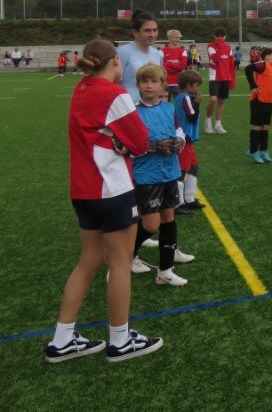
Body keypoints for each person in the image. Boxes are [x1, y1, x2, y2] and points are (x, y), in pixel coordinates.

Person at [45, 39, 162, 364]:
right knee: (120, 264)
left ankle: (61, 339)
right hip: (112, 190)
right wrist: (123, 143)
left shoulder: (81, 88)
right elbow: (140, 142)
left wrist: (117, 141)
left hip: (82, 191)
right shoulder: (114, 94)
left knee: (88, 261)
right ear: (114, 62)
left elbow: (100, 134)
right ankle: (121, 340)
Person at [130, 63, 194, 287]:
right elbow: (127, 144)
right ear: (138, 85)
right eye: (144, 81)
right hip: (147, 175)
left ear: (162, 85)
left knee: (169, 218)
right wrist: (152, 147)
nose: (149, 85)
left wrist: (180, 141)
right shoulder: (132, 112)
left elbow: (178, 130)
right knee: (150, 225)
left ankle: (165, 271)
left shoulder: (168, 108)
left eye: (154, 81)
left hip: (170, 171)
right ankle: (125, 256)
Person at [172, 69, 206, 214]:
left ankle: (189, 199)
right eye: (196, 85)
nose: (198, 88)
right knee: (181, 171)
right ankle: (177, 204)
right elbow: (192, 117)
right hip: (184, 139)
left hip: (188, 140)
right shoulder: (185, 97)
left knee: (194, 168)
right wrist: (197, 104)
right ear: (188, 85)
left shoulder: (184, 97)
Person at [117, 10, 163, 105]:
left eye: (155, 30)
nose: (152, 35)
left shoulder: (158, 54)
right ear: (135, 33)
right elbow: (113, 84)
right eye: (147, 31)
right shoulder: (123, 52)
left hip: (151, 108)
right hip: (129, 108)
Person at [244, 47, 272, 164]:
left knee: (265, 126)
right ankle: (253, 150)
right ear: (267, 57)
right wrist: (253, 85)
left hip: (268, 101)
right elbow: (248, 68)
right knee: (257, 126)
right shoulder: (264, 64)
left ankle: (263, 150)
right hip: (259, 100)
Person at [204, 27, 235, 134]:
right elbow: (216, 59)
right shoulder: (211, 46)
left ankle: (218, 124)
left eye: (222, 36)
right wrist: (220, 45)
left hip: (226, 77)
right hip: (214, 76)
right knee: (213, 99)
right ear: (215, 36)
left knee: (221, 101)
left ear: (225, 37)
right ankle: (208, 121)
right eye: (218, 36)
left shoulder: (228, 47)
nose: (220, 38)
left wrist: (232, 78)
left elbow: (230, 63)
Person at [161, 29, 189, 99]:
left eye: (179, 38)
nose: (178, 40)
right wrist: (176, 67)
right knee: (164, 104)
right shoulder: (162, 51)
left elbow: (183, 66)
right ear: (169, 38)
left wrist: (169, 64)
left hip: (178, 83)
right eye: (176, 38)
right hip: (165, 83)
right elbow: (162, 68)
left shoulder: (183, 51)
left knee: (179, 104)